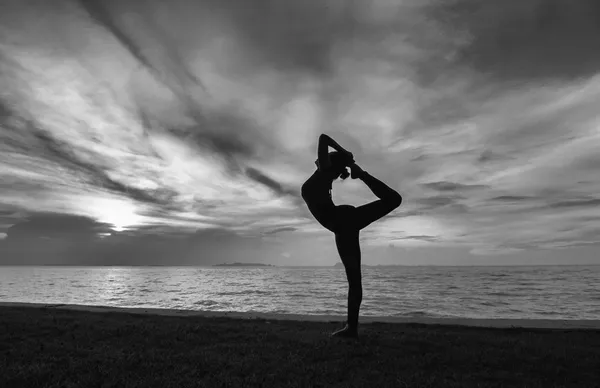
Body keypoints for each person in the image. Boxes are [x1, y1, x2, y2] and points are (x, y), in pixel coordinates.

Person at [301, 133, 402, 338]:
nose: (319, 158)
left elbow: (322, 138)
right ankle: (352, 329)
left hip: (344, 222)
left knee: (394, 199)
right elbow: (323, 140)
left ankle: (352, 328)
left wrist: (345, 154)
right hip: (343, 224)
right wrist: (345, 156)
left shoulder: (325, 171)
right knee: (354, 280)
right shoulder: (325, 175)